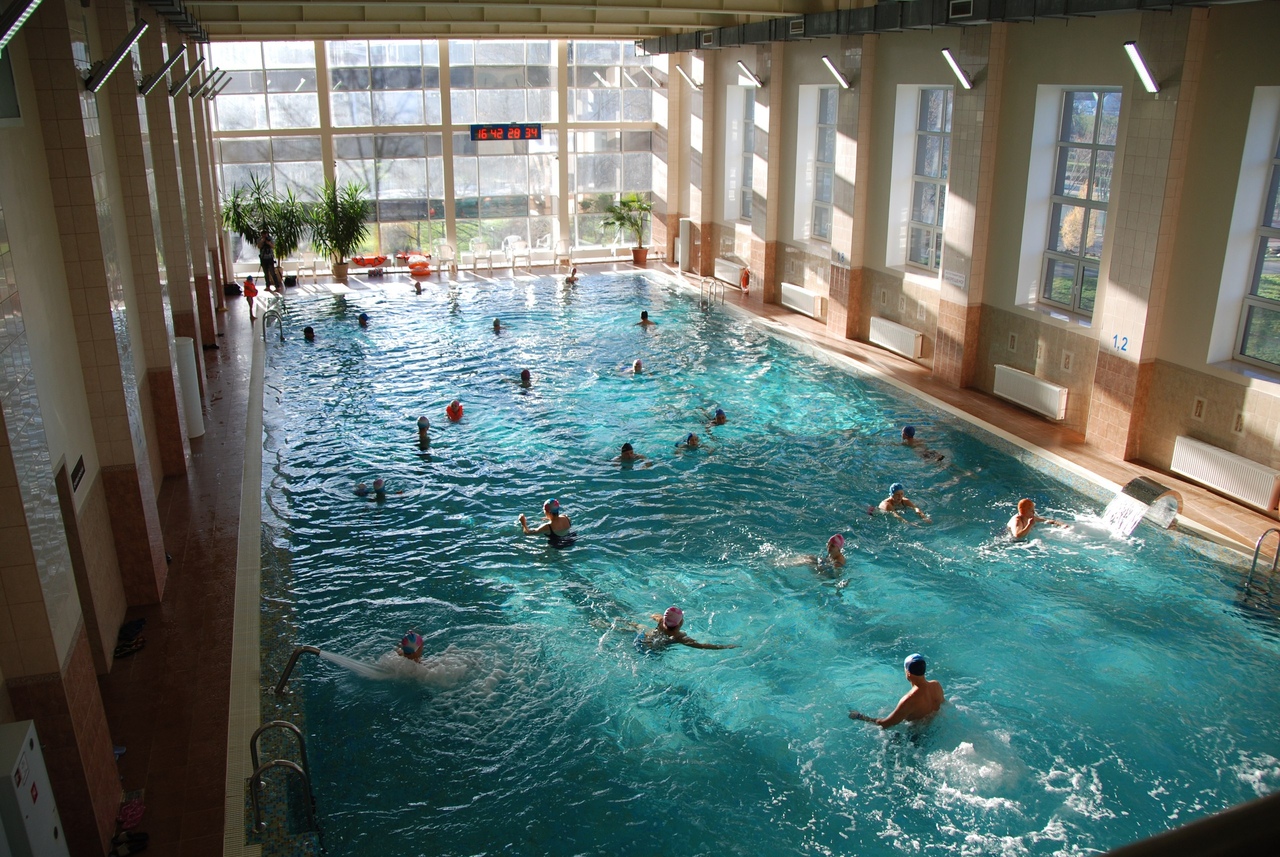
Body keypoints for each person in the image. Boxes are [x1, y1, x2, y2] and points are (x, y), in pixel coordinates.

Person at [849, 653, 945, 728]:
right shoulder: (936, 685)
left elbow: (885, 724)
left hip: (916, 735)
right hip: (935, 727)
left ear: (908, 673)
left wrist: (860, 717)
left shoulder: (909, 700)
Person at [636, 606, 737, 651]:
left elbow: (654, 615)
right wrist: (724, 647)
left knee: (640, 627)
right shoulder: (679, 637)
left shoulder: (661, 621)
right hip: (656, 650)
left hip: (645, 638)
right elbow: (702, 646)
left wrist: (652, 616)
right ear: (680, 623)